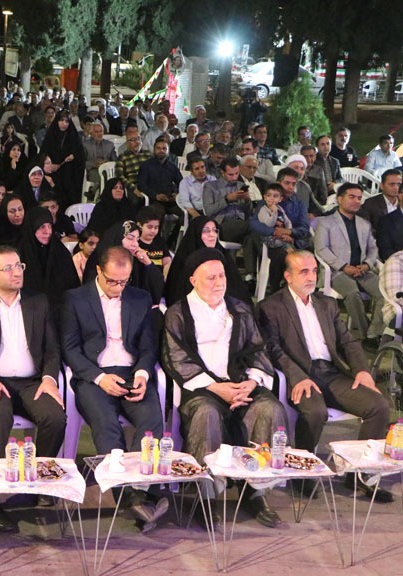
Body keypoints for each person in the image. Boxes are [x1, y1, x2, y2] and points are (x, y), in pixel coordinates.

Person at [162, 248, 286, 528]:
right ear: (193, 280)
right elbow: (176, 359)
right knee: (206, 414)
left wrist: (251, 382)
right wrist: (217, 388)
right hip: (201, 389)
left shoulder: (239, 309)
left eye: (222, 276)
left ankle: (255, 491)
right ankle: (206, 496)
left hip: (240, 383)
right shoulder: (178, 313)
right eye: (211, 278)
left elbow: (257, 349)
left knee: (269, 408)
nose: (219, 283)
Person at [258, 251, 392, 502]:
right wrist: (297, 376)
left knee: (379, 406)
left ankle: (360, 475)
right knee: (315, 412)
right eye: (303, 272)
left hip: (331, 373)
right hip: (300, 374)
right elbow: (272, 350)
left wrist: (362, 370)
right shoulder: (271, 307)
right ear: (288, 276)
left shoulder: (326, 304)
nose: (311, 277)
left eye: (314, 271)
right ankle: (302, 473)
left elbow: (348, 341)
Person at [0, 246, 66, 531]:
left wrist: (49, 379)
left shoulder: (37, 302)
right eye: (8, 268)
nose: (16, 272)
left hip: (32, 382)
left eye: (19, 266)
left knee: (55, 416)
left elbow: (52, 348)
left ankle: (37, 479)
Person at [60, 246, 167, 528]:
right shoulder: (75, 299)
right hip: (94, 376)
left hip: (131, 372)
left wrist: (142, 374)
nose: (118, 287)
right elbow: (70, 349)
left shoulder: (140, 298)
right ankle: (131, 497)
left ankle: (139, 492)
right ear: (98, 270)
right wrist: (99, 377)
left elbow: (148, 346)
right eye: (112, 281)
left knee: (151, 420)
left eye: (124, 281)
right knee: (107, 424)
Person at [314, 183, 385, 350]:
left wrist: (367, 264)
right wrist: (343, 266)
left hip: (362, 270)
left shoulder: (364, 223)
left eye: (359, 198)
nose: (356, 201)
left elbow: (373, 248)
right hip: (337, 272)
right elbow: (321, 249)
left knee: (384, 291)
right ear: (339, 199)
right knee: (352, 293)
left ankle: (373, 333)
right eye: (352, 197)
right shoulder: (326, 223)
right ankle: (367, 333)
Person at [164, 217, 251, 307]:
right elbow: (176, 296)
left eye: (215, 230)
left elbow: (239, 293)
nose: (212, 235)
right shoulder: (184, 260)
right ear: (196, 233)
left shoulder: (223, 256)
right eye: (206, 231)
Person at [19, 207, 81, 307]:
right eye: (42, 227)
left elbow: (72, 289)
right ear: (32, 228)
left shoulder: (61, 253)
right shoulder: (20, 255)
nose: (47, 231)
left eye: (50, 226)